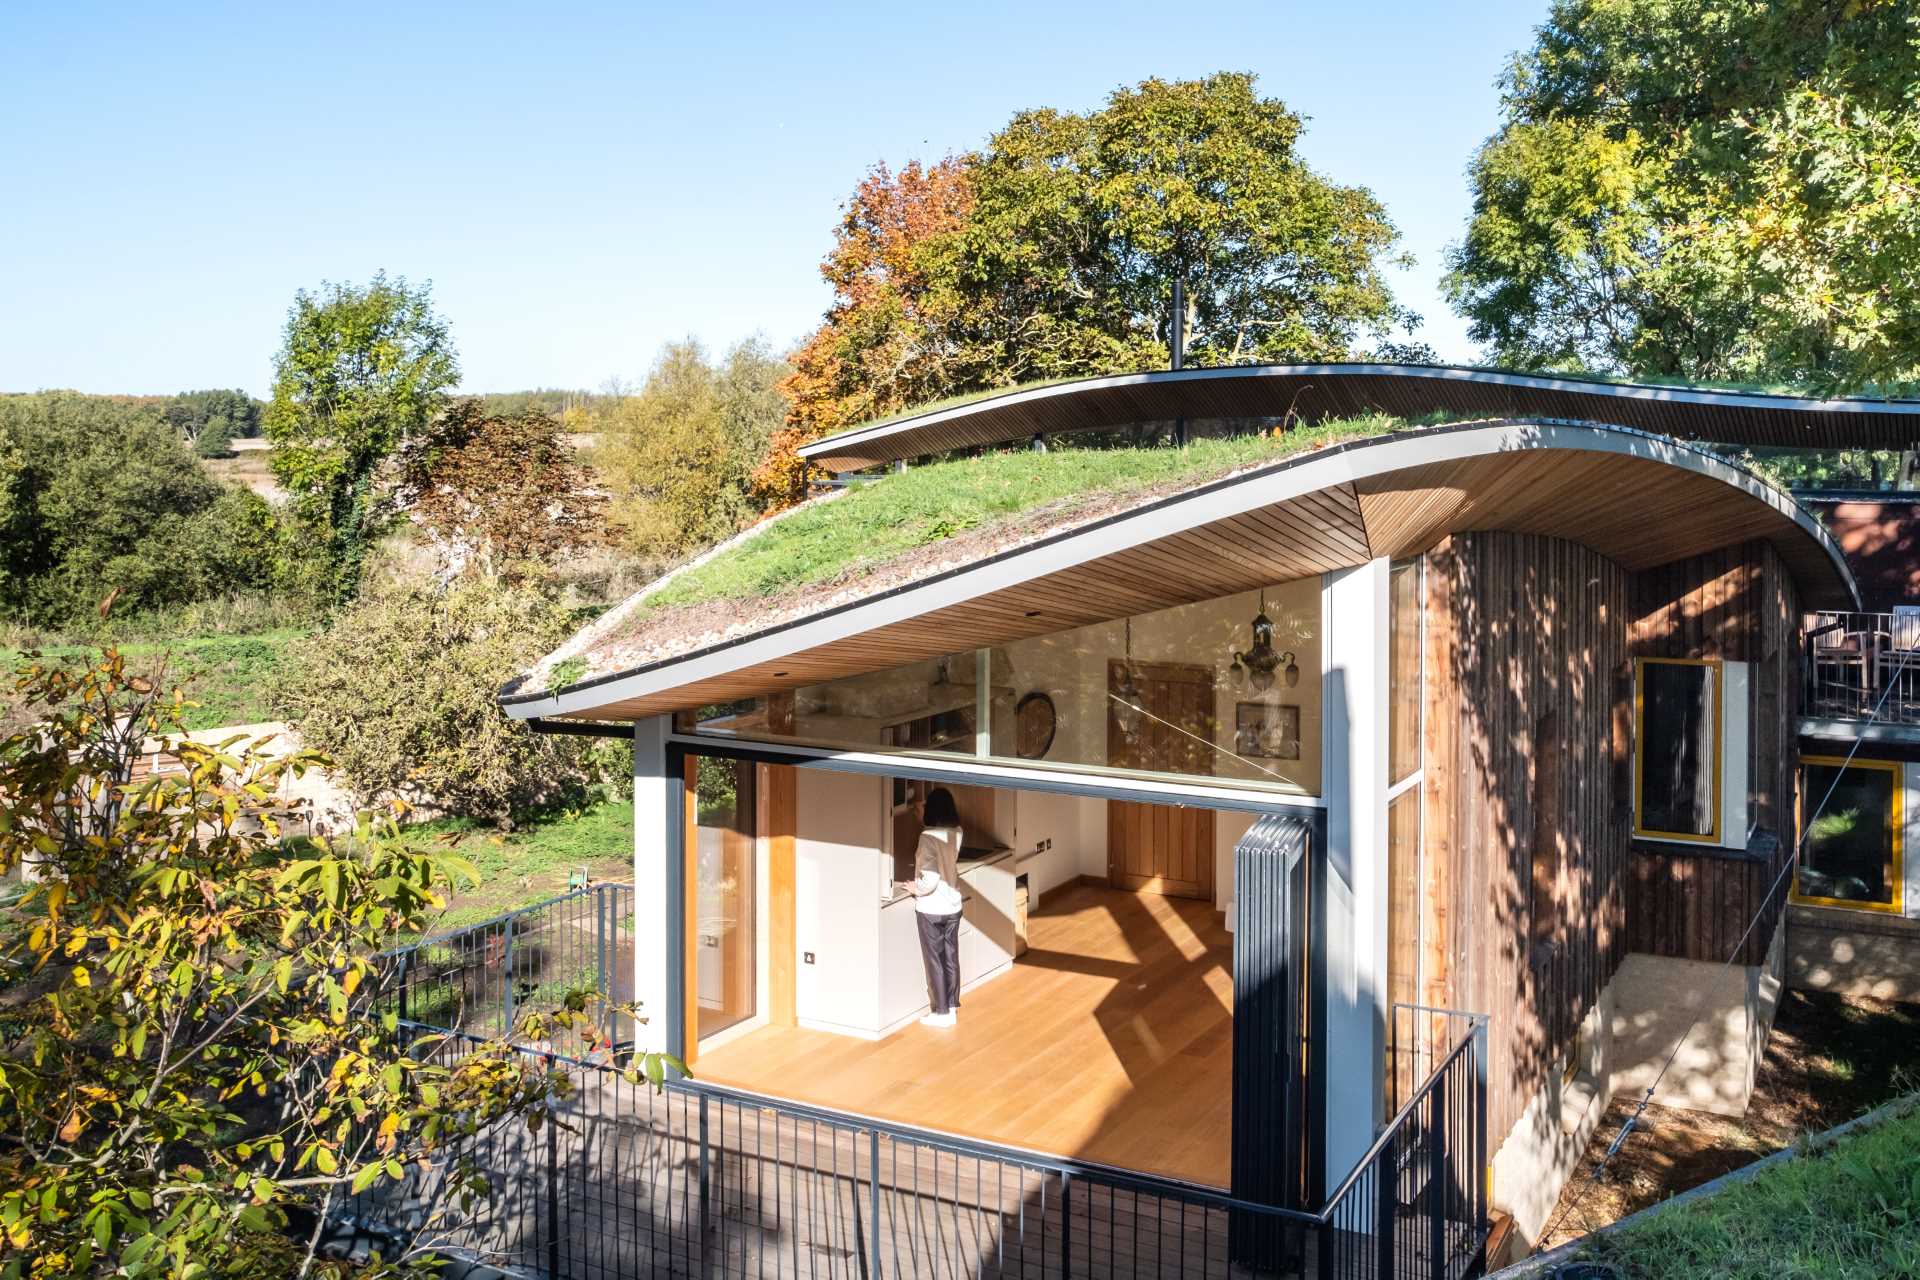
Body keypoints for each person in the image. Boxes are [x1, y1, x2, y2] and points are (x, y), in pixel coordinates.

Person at [902, 787, 965, 1028]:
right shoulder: (957, 832)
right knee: (950, 957)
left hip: (931, 908)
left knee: (935, 960)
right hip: (952, 905)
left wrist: (915, 888)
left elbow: (930, 878)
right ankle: (951, 1007)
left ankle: (940, 1013)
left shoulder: (927, 838)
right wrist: (923, 817)